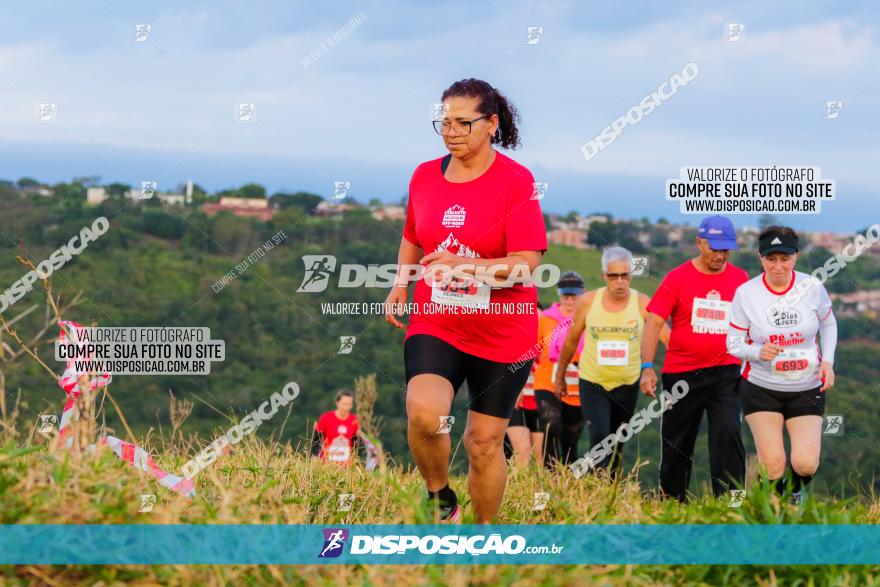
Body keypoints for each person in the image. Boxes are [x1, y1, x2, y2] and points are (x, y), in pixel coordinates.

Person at [384, 78, 547, 523]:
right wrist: (402, 283)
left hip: (504, 331)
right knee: (423, 413)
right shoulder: (423, 176)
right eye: (444, 122)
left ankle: (483, 542)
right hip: (438, 320)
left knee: (482, 443)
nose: (451, 131)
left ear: (492, 124)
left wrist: (464, 265)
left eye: (463, 122)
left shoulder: (517, 182)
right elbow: (413, 237)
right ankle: (442, 503)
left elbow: (526, 264)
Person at [640, 215, 749, 501]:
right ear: (699, 243)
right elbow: (653, 322)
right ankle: (672, 503)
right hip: (682, 375)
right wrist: (647, 367)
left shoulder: (740, 279)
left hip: (726, 372)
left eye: (726, 249)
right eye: (715, 248)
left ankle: (731, 503)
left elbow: (752, 323)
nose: (721, 255)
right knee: (677, 442)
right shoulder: (677, 278)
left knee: (728, 433)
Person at [726, 225, 837, 503]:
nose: (778, 266)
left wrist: (829, 361)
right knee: (774, 464)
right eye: (771, 259)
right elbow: (733, 344)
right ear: (760, 258)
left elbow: (828, 323)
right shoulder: (746, 293)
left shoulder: (811, 287)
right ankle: (772, 508)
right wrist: (756, 352)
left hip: (807, 387)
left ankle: (794, 493)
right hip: (761, 388)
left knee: (805, 464)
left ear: (795, 257)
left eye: (784, 259)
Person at [556, 247, 670, 475]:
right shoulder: (588, 301)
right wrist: (559, 377)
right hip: (592, 381)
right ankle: (595, 486)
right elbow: (571, 341)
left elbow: (666, 336)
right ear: (604, 276)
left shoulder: (641, 302)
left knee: (618, 442)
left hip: (626, 384)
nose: (619, 281)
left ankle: (609, 490)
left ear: (631, 275)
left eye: (624, 275)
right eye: (613, 276)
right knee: (599, 434)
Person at [534, 272, 586, 467]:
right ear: (559, 295)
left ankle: (567, 480)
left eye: (575, 295)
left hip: (577, 387)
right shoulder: (545, 320)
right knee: (551, 425)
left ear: (583, 294)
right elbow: (532, 351)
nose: (570, 300)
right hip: (547, 381)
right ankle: (549, 471)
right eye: (566, 295)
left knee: (571, 439)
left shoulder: (588, 321)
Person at [311, 389, 362, 465]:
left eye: (349, 404)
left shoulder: (355, 421)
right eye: (344, 404)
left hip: (347, 465)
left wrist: (357, 461)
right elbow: (317, 440)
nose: (346, 407)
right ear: (337, 403)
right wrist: (314, 457)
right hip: (326, 463)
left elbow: (357, 444)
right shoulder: (326, 418)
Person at [507, 361, 543, 467]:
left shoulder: (548, 346)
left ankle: (536, 483)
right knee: (523, 451)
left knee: (540, 455)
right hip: (517, 405)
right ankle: (519, 481)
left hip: (540, 404)